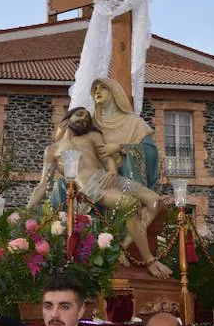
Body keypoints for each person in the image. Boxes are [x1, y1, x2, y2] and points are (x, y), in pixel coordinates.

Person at [28, 107, 170, 278]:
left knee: (155, 202)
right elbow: (44, 183)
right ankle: (150, 261)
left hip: (109, 179)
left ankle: (123, 248)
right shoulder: (52, 150)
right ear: (66, 119)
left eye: (87, 117)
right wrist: (27, 210)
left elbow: (106, 158)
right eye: (80, 114)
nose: (84, 119)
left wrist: (111, 171)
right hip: (90, 186)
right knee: (130, 204)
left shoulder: (93, 137)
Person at [89, 77, 159, 189]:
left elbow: (151, 152)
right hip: (99, 180)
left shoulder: (134, 122)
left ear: (114, 92)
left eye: (103, 88)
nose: (97, 91)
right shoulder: (92, 124)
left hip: (128, 180)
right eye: (95, 89)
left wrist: (120, 147)